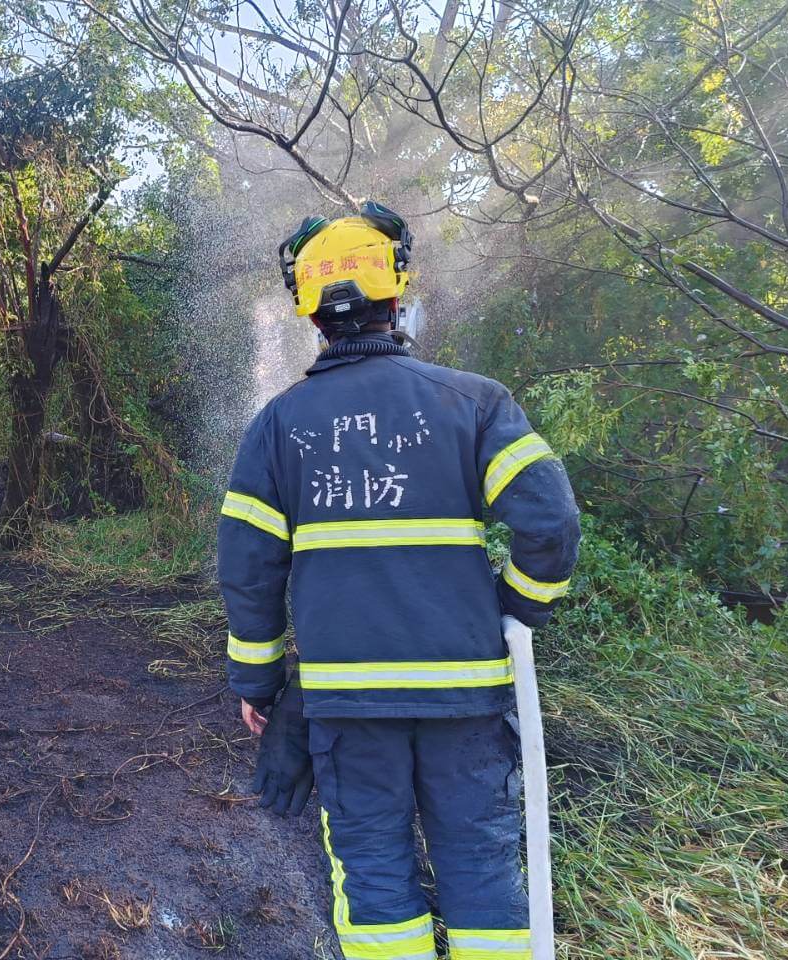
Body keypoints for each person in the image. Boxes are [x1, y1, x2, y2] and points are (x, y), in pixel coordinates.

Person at [219, 204, 581, 960]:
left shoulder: (279, 426)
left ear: (310, 313)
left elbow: (249, 570)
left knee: (376, 879)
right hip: (469, 695)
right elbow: (550, 525)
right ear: (399, 291)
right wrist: (514, 610)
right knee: (482, 869)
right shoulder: (476, 403)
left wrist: (258, 684)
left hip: (347, 706)